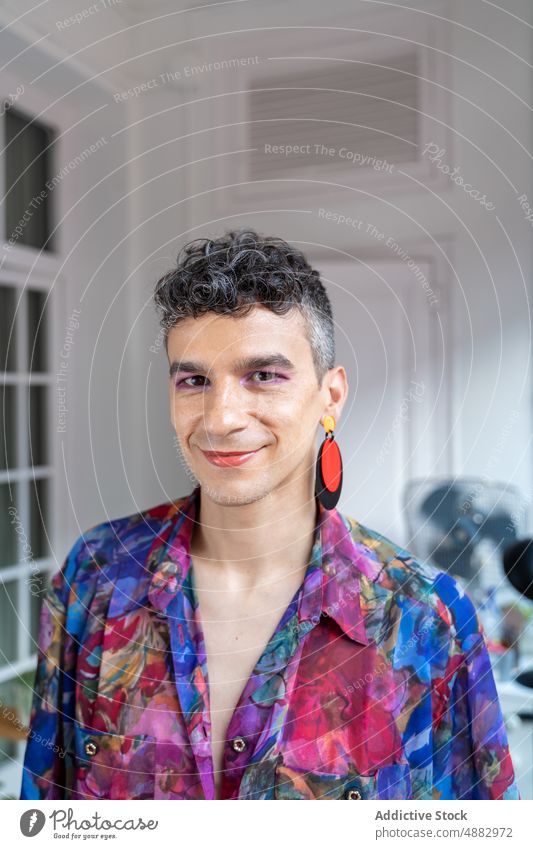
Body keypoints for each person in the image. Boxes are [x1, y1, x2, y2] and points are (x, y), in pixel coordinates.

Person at [21, 229, 520, 800]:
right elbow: (46, 807)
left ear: (330, 397)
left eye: (263, 375)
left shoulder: (426, 616)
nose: (221, 416)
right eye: (194, 380)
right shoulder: (97, 574)